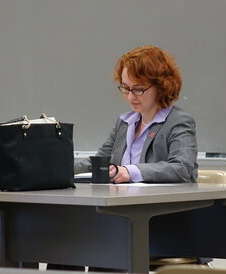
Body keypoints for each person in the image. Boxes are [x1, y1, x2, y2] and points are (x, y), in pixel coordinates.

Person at [75, 45, 198, 183]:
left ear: (161, 86)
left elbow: (181, 168)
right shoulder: (124, 122)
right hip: (122, 199)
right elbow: (98, 163)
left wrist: (130, 171)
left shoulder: (178, 122)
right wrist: (58, 168)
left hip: (160, 202)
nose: (130, 97)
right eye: (125, 88)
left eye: (138, 89)